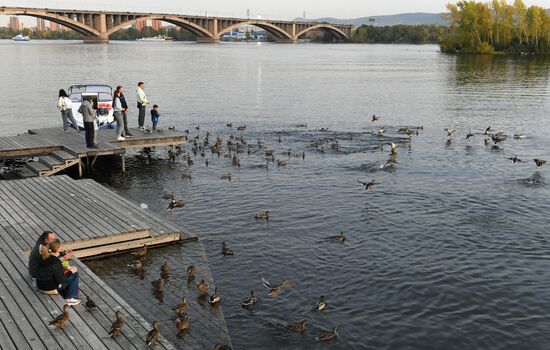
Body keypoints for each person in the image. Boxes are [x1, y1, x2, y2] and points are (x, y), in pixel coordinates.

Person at [36, 239, 81, 306]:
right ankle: (69, 298)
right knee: (75, 274)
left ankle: (64, 292)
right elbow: (61, 280)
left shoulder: (43, 256)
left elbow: (53, 260)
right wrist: (71, 272)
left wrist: (63, 253)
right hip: (49, 289)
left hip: (40, 285)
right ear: (57, 249)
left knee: (62, 273)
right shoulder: (56, 262)